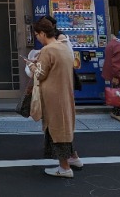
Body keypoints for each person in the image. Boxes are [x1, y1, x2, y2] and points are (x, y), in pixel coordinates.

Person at [28, 17, 82, 178]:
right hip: (65, 94)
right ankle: (73, 159)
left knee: (56, 131)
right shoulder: (64, 47)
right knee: (64, 128)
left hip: (52, 96)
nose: (37, 38)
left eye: (37, 35)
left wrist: (30, 65)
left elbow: (40, 74)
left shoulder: (48, 50)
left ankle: (64, 167)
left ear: (43, 33)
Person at [101, 33, 120, 123]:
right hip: (118, 74)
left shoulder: (112, 43)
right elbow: (119, 62)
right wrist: (116, 75)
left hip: (110, 72)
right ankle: (118, 113)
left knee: (116, 92)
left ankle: (117, 111)